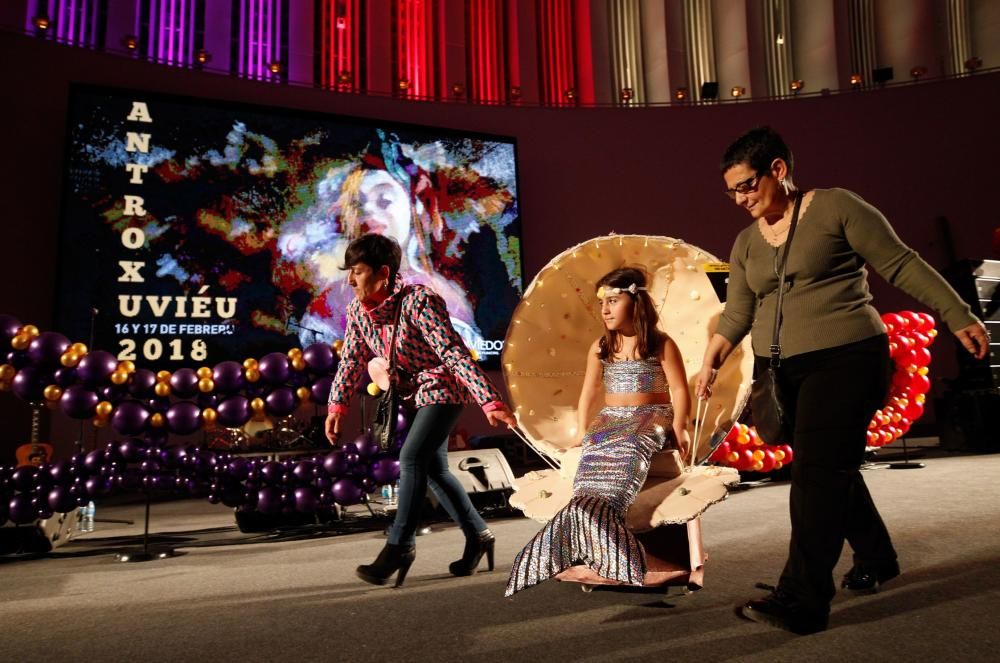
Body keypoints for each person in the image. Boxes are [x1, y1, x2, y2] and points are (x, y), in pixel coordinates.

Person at [694, 126, 989, 634]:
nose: (740, 199)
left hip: (847, 358)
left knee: (815, 478)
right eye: (732, 191)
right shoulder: (745, 242)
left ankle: (802, 599)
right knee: (826, 465)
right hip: (783, 371)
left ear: (778, 170)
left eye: (747, 186)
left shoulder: (836, 207)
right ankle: (877, 554)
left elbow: (900, 263)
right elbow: (738, 311)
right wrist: (711, 360)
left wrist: (957, 313)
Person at [325, 233, 517, 587]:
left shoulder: (419, 301)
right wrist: (336, 405)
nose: (350, 280)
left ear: (383, 272)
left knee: (412, 457)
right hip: (412, 393)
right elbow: (351, 360)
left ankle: (400, 545)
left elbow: (453, 353)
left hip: (442, 387)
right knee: (434, 470)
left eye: (358, 271)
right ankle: (479, 536)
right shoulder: (358, 311)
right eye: (349, 272)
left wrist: (488, 399)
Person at [505, 267, 692, 596]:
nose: (605, 308)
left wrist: (681, 426)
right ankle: (592, 553)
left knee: (622, 468)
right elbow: (589, 393)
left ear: (637, 302)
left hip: (648, 418)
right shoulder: (602, 345)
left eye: (613, 300)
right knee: (586, 484)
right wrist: (582, 432)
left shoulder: (660, 343)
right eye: (602, 302)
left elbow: (678, 388)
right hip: (609, 420)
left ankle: (624, 558)